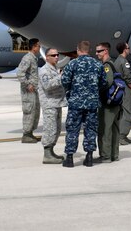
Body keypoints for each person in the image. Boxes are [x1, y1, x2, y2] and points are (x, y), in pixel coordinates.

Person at [61, 39, 105, 167]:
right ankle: (89, 157)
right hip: (92, 104)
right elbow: (103, 83)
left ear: (78, 50)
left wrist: (72, 91)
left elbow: (64, 81)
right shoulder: (97, 64)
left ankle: (69, 158)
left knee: (72, 130)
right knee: (91, 129)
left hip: (76, 103)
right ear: (89, 50)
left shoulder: (72, 64)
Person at [38, 47, 67, 164]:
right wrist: (61, 77)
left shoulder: (54, 69)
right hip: (49, 104)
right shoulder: (44, 70)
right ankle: (47, 154)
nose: (56, 57)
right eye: (53, 55)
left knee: (57, 129)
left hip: (57, 103)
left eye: (57, 55)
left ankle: (51, 151)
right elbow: (47, 85)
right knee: (50, 128)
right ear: (47, 57)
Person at [95, 42, 121, 162]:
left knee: (105, 129)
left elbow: (108, 81)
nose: (97, 54)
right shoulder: (113, 63)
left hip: (107, 103)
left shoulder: (106, 65)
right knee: (114, 129)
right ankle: (114, 154)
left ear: (106, 51)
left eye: (99, 51)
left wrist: (97, 88)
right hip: (115, 101)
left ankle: (105, 156)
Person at [17, 38, 41, 142]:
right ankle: (26, 135)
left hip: (33, 91)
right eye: (38, 46)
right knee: (29, 111)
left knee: (35, 112)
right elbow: (20, 74)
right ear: (34, 47)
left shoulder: (33, 58)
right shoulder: (27, 58)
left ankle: (30, 133)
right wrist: (28, 84)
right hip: (28, 92)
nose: (40, 48)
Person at [114, 42, 131, 145]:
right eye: (128, 48)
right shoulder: (124, 62)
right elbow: (128, 77)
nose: (129, 49)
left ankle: (121, 135)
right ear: (125, 49)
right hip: (125, 89)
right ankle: (122, 136)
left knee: (121, 113)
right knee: (128, 112)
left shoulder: (117, 61)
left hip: (118, 88)